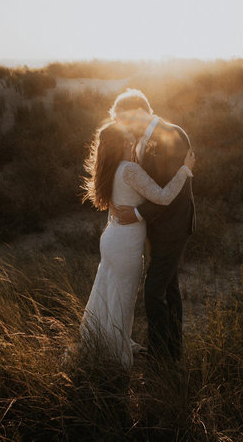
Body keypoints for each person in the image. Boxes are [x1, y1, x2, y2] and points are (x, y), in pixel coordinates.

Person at [79, 119, 196, 368]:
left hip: (112, 238)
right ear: (123, 143)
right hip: (126, 244)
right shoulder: (129, 170)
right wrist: (185, 170)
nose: (133, 140)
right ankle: (115, 353)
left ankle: (101, 342)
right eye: (129, 137)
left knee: (107, 293)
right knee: (122, 297)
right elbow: (164, 197)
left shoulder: (107, 168)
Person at [109, 89, 196, 363]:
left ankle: (160, 356)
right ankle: (172, 352)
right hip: (154, 227)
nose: (124, 126)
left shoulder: (172, 134)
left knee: (153, 290)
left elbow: (174, 191)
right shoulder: (138, 140)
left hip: (173, 226)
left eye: (126, 119)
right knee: (168, 289)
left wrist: (135, 212)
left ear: (141, 111)